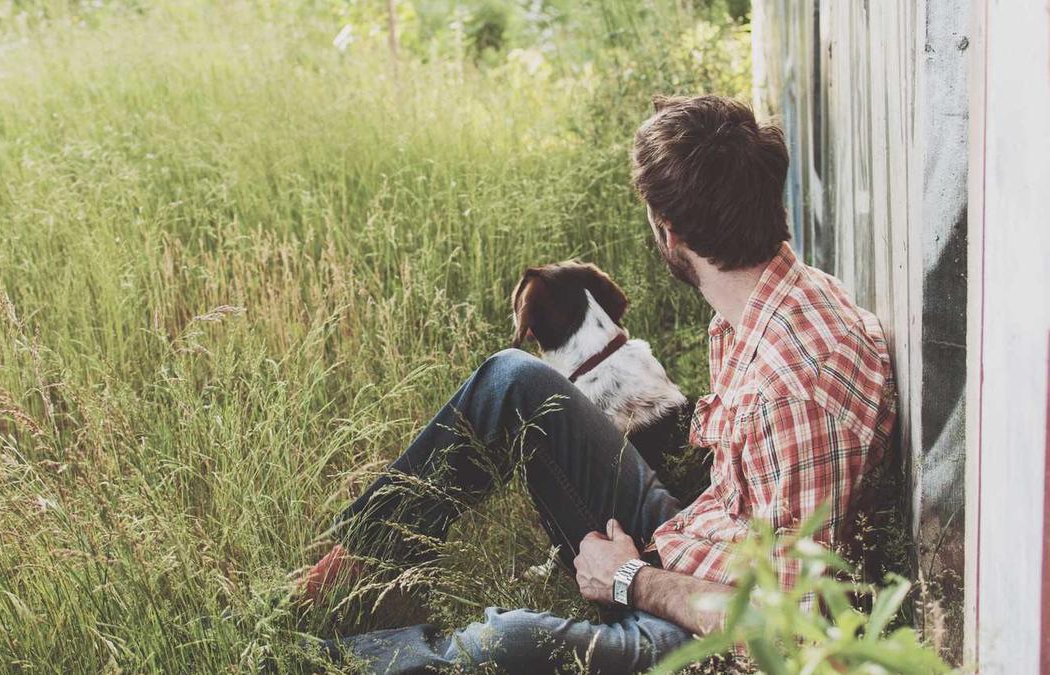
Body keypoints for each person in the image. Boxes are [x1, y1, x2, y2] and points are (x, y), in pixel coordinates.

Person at [300, 95, 896, 673]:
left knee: (504, 644)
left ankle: (312, 662)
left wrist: (630, 579)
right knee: (513, 378)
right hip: (703, 545)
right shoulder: (776, 300)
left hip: (708, 634)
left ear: (669, 233)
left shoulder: (787, 391)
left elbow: (786, 633)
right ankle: (351, 570)